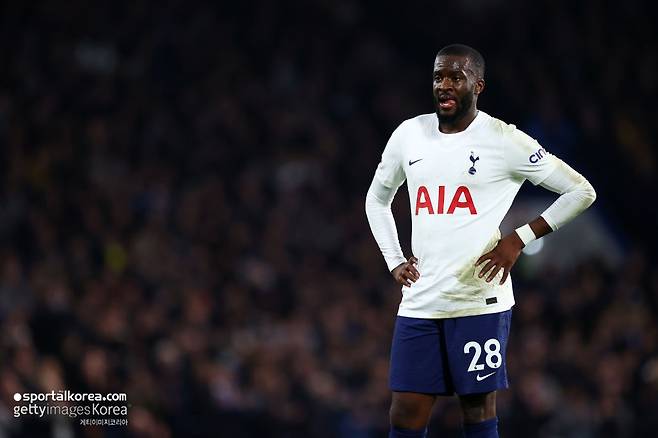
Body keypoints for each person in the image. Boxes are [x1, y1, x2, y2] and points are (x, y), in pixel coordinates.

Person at [364, 44, 596, 438]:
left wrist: (519, 239)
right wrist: (394, 258)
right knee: (405, 410)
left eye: (456, 77)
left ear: (478, 85)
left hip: (479, 298)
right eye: (438, 76)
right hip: (421, 299)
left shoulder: (504, 140)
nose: (445, 85)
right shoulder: (409, 134)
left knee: (476, 409)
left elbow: (580, 191)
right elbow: (377, 199)